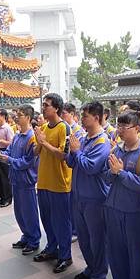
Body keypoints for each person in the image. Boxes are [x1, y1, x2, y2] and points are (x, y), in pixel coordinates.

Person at [103, 110, 140, 279]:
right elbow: (106, 177)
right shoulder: (116, 150)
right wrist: (113, 173)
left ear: (137, 128)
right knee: (116, 253)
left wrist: (121, 173)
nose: (120, 131)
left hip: (136, 212)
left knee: (138, 256)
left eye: (125, 127)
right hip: (114, 209)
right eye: (119, 126)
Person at [66, 101, 110, 279]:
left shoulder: (103, 142)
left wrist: (76, 152)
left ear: (97, 118)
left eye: (85, 116)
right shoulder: (83, 138)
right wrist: (71, 149)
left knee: (97, 239)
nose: (81, 118)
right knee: (84, 238)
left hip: (94, 199)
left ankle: (99, 274)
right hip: (79, 196)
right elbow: (71, 163)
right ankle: (90, 268)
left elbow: (91, 167)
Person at [33, 93, 73, 274]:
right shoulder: (43, 127)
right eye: (43, 105)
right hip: (43, 182)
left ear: (56, 108)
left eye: (47, 105)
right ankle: (51, 248)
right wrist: (39, 141)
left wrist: (44, 143)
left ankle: (65, 256)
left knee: (61, 222)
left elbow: (64, 155)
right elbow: (35, 152)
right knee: (47, 220)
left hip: (59, 183)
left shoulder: (64, 128)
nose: (44, 108)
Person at [0, 105, 41, 255]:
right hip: (15, 179)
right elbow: (10, 152)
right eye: (17, 114)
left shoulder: (32, 137)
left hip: (26, 180)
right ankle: (26, 236)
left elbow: (28, 161)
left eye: (21, 115)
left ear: (28, 118)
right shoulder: (17, 136)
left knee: (29, 212)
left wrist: (9, 159)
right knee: (19, 212)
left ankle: (34, 240)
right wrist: (0, 153)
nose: (17, 117)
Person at [61, 102, 85, 242]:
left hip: (74, 169)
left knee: (74, 203)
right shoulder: (65, 128)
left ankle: (75, 230)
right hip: (67, 165)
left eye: (65, 113)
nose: (63, 116)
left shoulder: (77, 131)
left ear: (72, 114)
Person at [0, 109, 14, 207]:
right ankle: (2, 198)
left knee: (4, 177)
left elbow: (11, 143)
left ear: (3, 117)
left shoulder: (7, 128)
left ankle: (8, 199)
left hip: (4, 152)